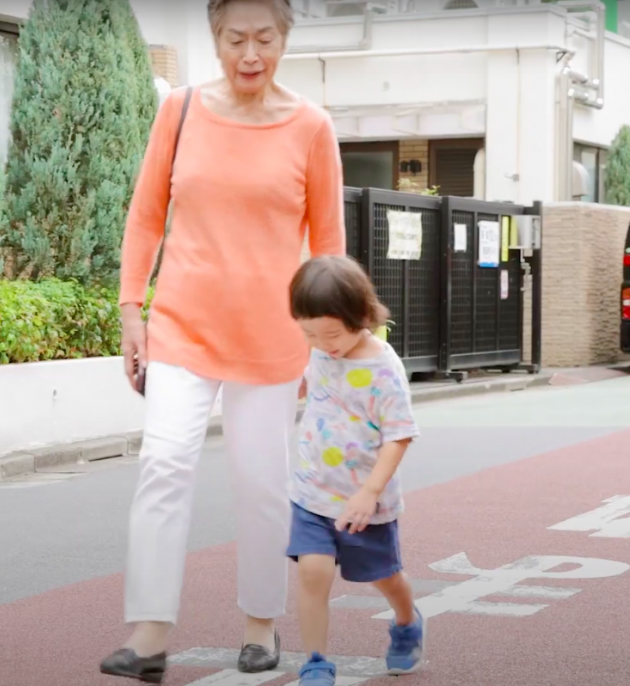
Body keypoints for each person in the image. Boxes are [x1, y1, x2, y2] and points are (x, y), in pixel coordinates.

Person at [98, 0, 346, 682]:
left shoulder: (311, 127)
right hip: (182, 326)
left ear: (284, 39)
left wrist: (326, 340)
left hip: (272, 336)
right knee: (163, 464)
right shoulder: (179, 111)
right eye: (236, 38)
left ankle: (260, 623)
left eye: (264, 38)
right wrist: (131, 310)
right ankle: (149, 635)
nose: (250, 54)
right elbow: (146, 216)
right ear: (215, 38)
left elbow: (328, 244)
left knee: (262, 483)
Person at [286, 255, 425, 685]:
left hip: (365, 502)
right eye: (309, 333)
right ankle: (316, 661)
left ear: (361, 317)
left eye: (332, 334)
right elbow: (314, 386)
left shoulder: (383, 368)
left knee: (385, 577)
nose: (322, 343)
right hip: (312, 491)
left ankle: (407, 620)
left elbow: (399, 435)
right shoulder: (321, 351)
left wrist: (369, 492)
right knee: (312, 571)